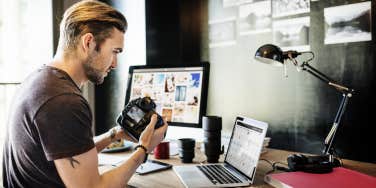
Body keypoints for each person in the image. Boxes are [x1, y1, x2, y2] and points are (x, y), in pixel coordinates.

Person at [2, 1, 168, 187]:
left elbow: (68, 151)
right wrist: (144, 149)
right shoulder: (64, 101)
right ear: (88, 42)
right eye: (114, 52)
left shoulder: (40, 81)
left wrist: (114, 134)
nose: (115, 64)